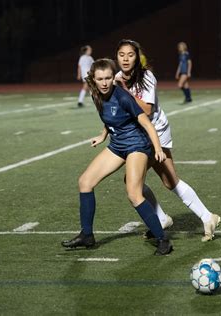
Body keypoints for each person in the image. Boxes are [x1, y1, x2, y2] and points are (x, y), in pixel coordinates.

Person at [61, 58, 173, 256]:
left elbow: (147, 123)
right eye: (100, 79)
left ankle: (163, 239)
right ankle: (87, 235)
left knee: (133, 194)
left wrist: (157, 149)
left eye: (108, 78)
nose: (104, 82)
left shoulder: (123, 97)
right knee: (85, 182)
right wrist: (103, 135)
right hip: (117, 145)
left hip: (137, 145)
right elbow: (111, 118)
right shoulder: (96, 93)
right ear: (93, 79)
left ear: (114, 77)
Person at [115, 39, 221, 242]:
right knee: (165, 180)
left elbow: (146, 109)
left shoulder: (146, 77)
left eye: (130, 54)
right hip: (138, 135)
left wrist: (123, 89)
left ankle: (193, 217)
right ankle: (202, 217)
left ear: (137, 57)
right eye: (121, 54)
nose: (126, 59)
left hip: (156, 132)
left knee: (145, 181)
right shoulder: (118, 77)